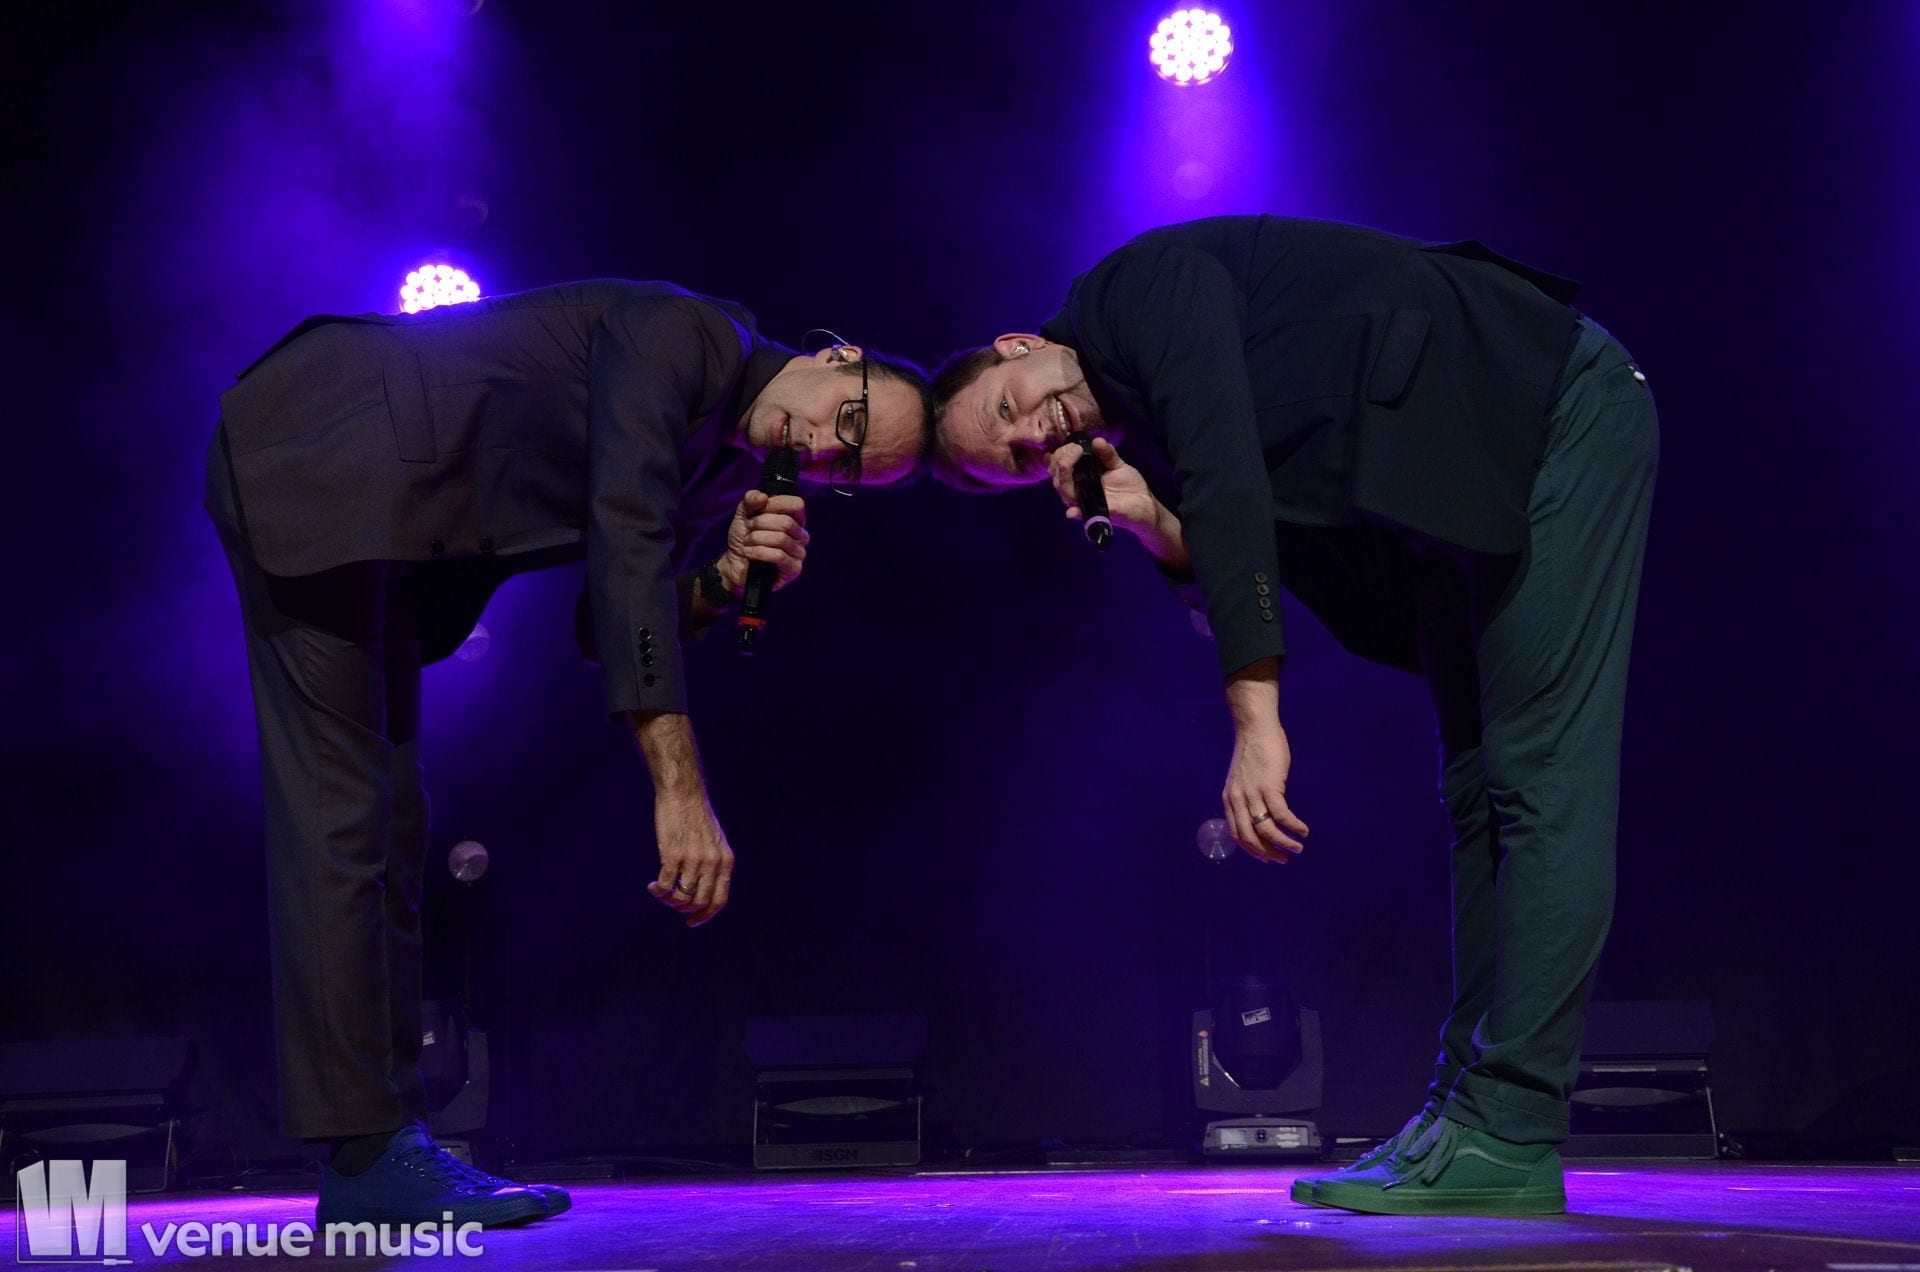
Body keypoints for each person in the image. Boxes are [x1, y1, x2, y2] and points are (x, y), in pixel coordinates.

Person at [931, 216, 1657, 1217]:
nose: (1033, 432)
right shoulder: (1141, 436)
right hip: (1464, 497)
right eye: (1015, 457)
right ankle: (1465, 1112)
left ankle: (1513, 1125)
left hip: (1547, 414)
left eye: (1009, 407)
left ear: (1018, 344)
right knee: (1479, 792)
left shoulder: (1128, 295)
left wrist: (1256, 720)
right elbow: (1238, 538)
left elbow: (1233, 471)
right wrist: (1149, 523)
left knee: (1538, 780)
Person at [205, 279, 930, 1227]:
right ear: (837, 356)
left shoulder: (718, 459)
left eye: (846, 467)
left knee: (391, 817)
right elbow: (623, 542)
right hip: (322, 451)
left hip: (375, 519)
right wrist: (679, 793)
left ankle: (383, 1146)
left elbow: (604, 625)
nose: (825, 448)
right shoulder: (688, 337)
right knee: (343, 811)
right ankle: (365, 1154)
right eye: (849, 418)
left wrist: (718, 579)